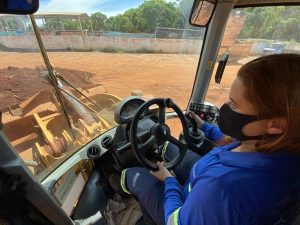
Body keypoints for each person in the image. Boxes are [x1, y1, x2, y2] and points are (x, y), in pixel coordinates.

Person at [121, 53, 300, 225]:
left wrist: (170, 182)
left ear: (275, 125)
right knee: (170, 146)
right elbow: (230, 141)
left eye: (234, 105)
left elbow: (175, 222)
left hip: (192, 205)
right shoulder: (276, 146)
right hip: (205, 183)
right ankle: (164, 151)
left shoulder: (223, 186)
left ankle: (119, 182)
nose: (226, 108)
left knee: (134, 175)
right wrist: (204, 127)